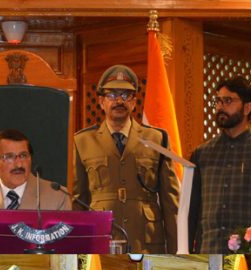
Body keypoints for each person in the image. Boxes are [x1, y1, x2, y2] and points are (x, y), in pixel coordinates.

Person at [73, 64, 180, 253]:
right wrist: (77, 248)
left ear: (134, 102)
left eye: (126, 95)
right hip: (102, 238)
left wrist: (175, 251)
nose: (119, 101)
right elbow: (78, 201)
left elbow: (170, 202)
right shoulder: (83, 140)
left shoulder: (157, 139)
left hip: (146, 241)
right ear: (101, 101)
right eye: (112, 95)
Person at [188, 76, 251, 253]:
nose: (220, 107)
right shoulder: (201, 154)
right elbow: (191, 213)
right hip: (208, 253)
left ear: (247, 108)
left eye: (228, 101)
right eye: (218, 101)